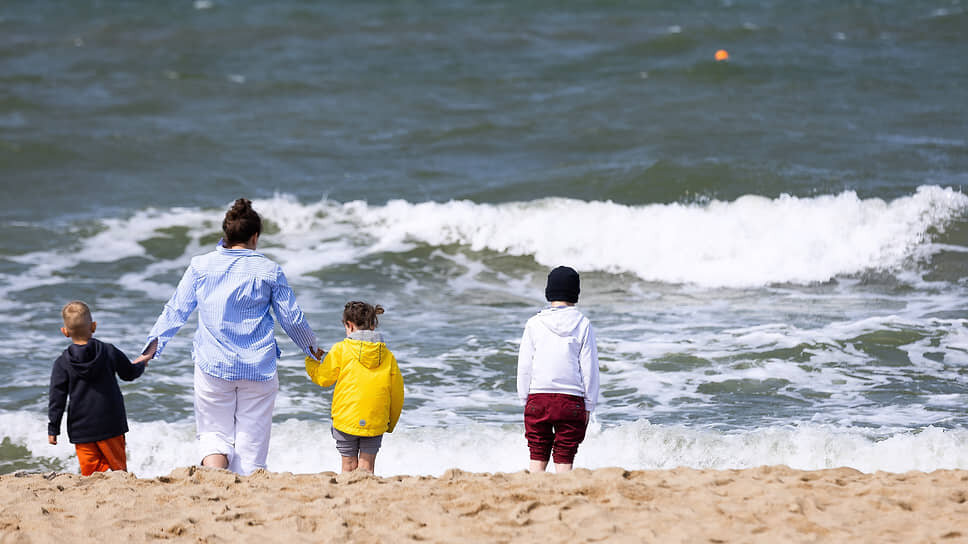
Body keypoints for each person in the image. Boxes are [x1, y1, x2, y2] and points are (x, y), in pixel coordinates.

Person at [143, 198, 321, 475]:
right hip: (258, 369)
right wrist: (313, 350)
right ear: (255, 237)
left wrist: (152, 347)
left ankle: (216, 481)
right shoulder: (268, 270)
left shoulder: (201, 266)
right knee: (252, 443)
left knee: (214, 433)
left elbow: (176, 309)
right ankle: (245, 489)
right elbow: (291, 318)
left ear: (225, 235)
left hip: (213, 366)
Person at [48, 301, 156, 476]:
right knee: (119, 471)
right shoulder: (108, 351)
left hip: (81, 429)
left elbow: (57, 398)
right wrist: (143, 362)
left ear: (65, 332)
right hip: (111, 424)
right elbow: (128, 373)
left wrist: (53, 429)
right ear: (93, 326)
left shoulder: (62, 363)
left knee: (92, 475)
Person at [517, 266, 600, 473]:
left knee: (537, 451)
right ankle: (564, 494)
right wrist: (589, 405)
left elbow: (525, 366)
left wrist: (524, 400)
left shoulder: (534, 323)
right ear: (576, 294)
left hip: (538, 398)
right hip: (571, 401)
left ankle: (536, 492)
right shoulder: (583, 324)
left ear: (548, 292)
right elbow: (590, 370)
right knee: (565, 453)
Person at [305, 301, 403, 473]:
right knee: (367, 468)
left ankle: (348, 497)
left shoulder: (340, 349)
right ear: (373, 325)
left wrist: (312, 361)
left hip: (346, 419)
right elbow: (397, 394)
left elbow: (323, 378)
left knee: (348, 466)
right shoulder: (388, 356)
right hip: (375, 419)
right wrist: (390, 423)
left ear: (349, 325)